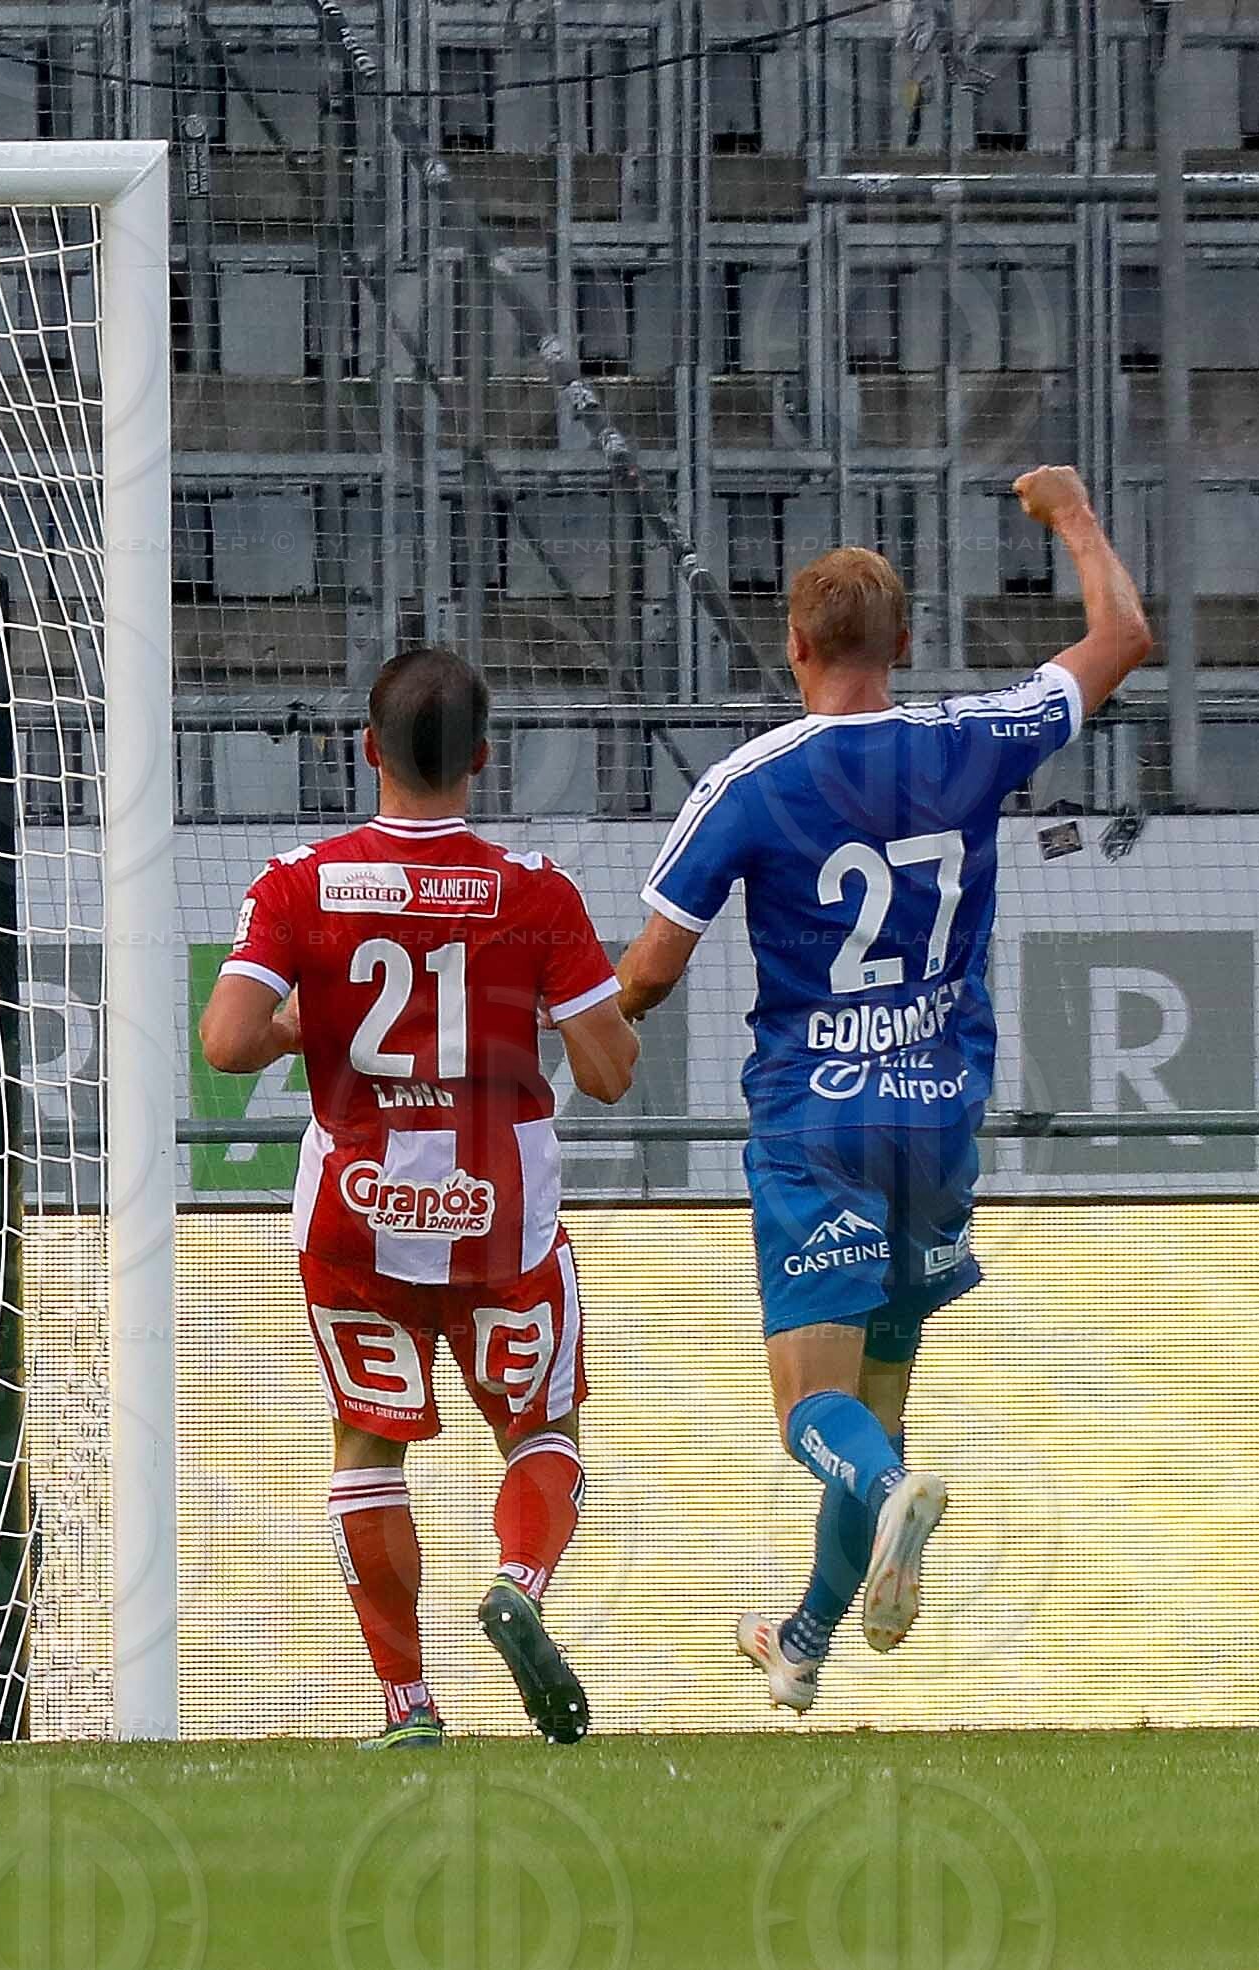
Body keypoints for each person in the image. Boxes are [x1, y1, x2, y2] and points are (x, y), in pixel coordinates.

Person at [614, 466, 1151, 1712]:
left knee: (817, 1415)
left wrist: (585, 1009)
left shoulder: (752, 779)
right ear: (903, 644)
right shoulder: (971, 737)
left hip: (818, 1124)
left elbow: (646, 973)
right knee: (882, 1405)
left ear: (797, 646)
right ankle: (804, 1642)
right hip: (939, 1120)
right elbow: (1124, 636)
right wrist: (1068, 511)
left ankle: (884, 1496)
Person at [199, 645, 641, 1749]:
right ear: (484, 761)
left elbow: (227, 1042)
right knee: (542, 1424)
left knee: (366, 1442)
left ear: (366, 750)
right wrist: (542, 1010)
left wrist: (320, 1020)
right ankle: (521, 1582)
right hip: (497, 1213)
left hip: (359, 1211)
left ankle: (407, 1704)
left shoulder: (299, 880)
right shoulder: (535, 891)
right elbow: (608, 1069)